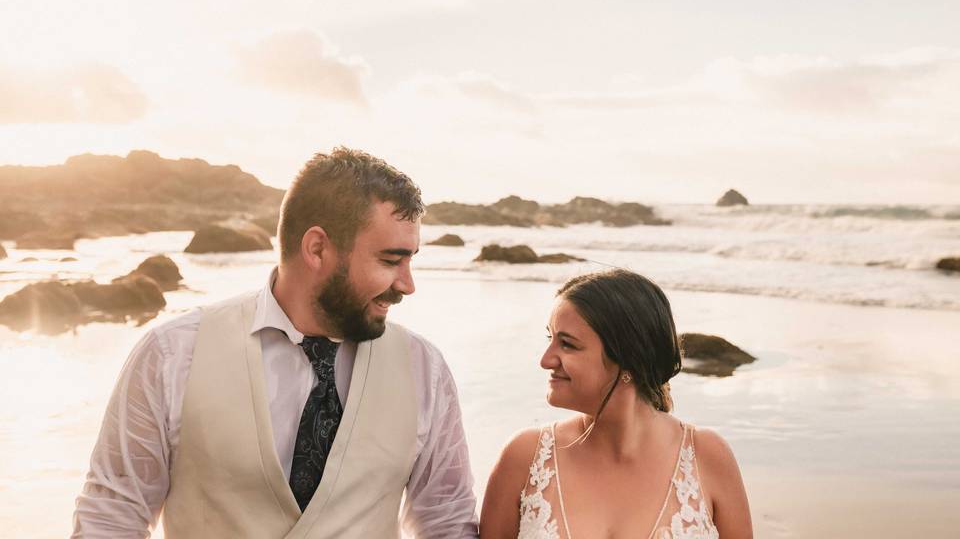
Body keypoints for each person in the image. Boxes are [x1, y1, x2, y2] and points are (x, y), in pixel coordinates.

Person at [72, 147, 479, 538]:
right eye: (391, 261)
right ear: (317, 248)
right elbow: (112, 519)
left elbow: (447, 523)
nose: (407, 285)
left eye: (411, 261)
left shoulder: (424, 368)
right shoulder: (171, 355)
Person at [480, 269, 752, 539]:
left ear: (628, 359)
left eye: (567, 345)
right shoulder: (523, 458)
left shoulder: (707, 456)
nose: (546, 360)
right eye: (550, 339)